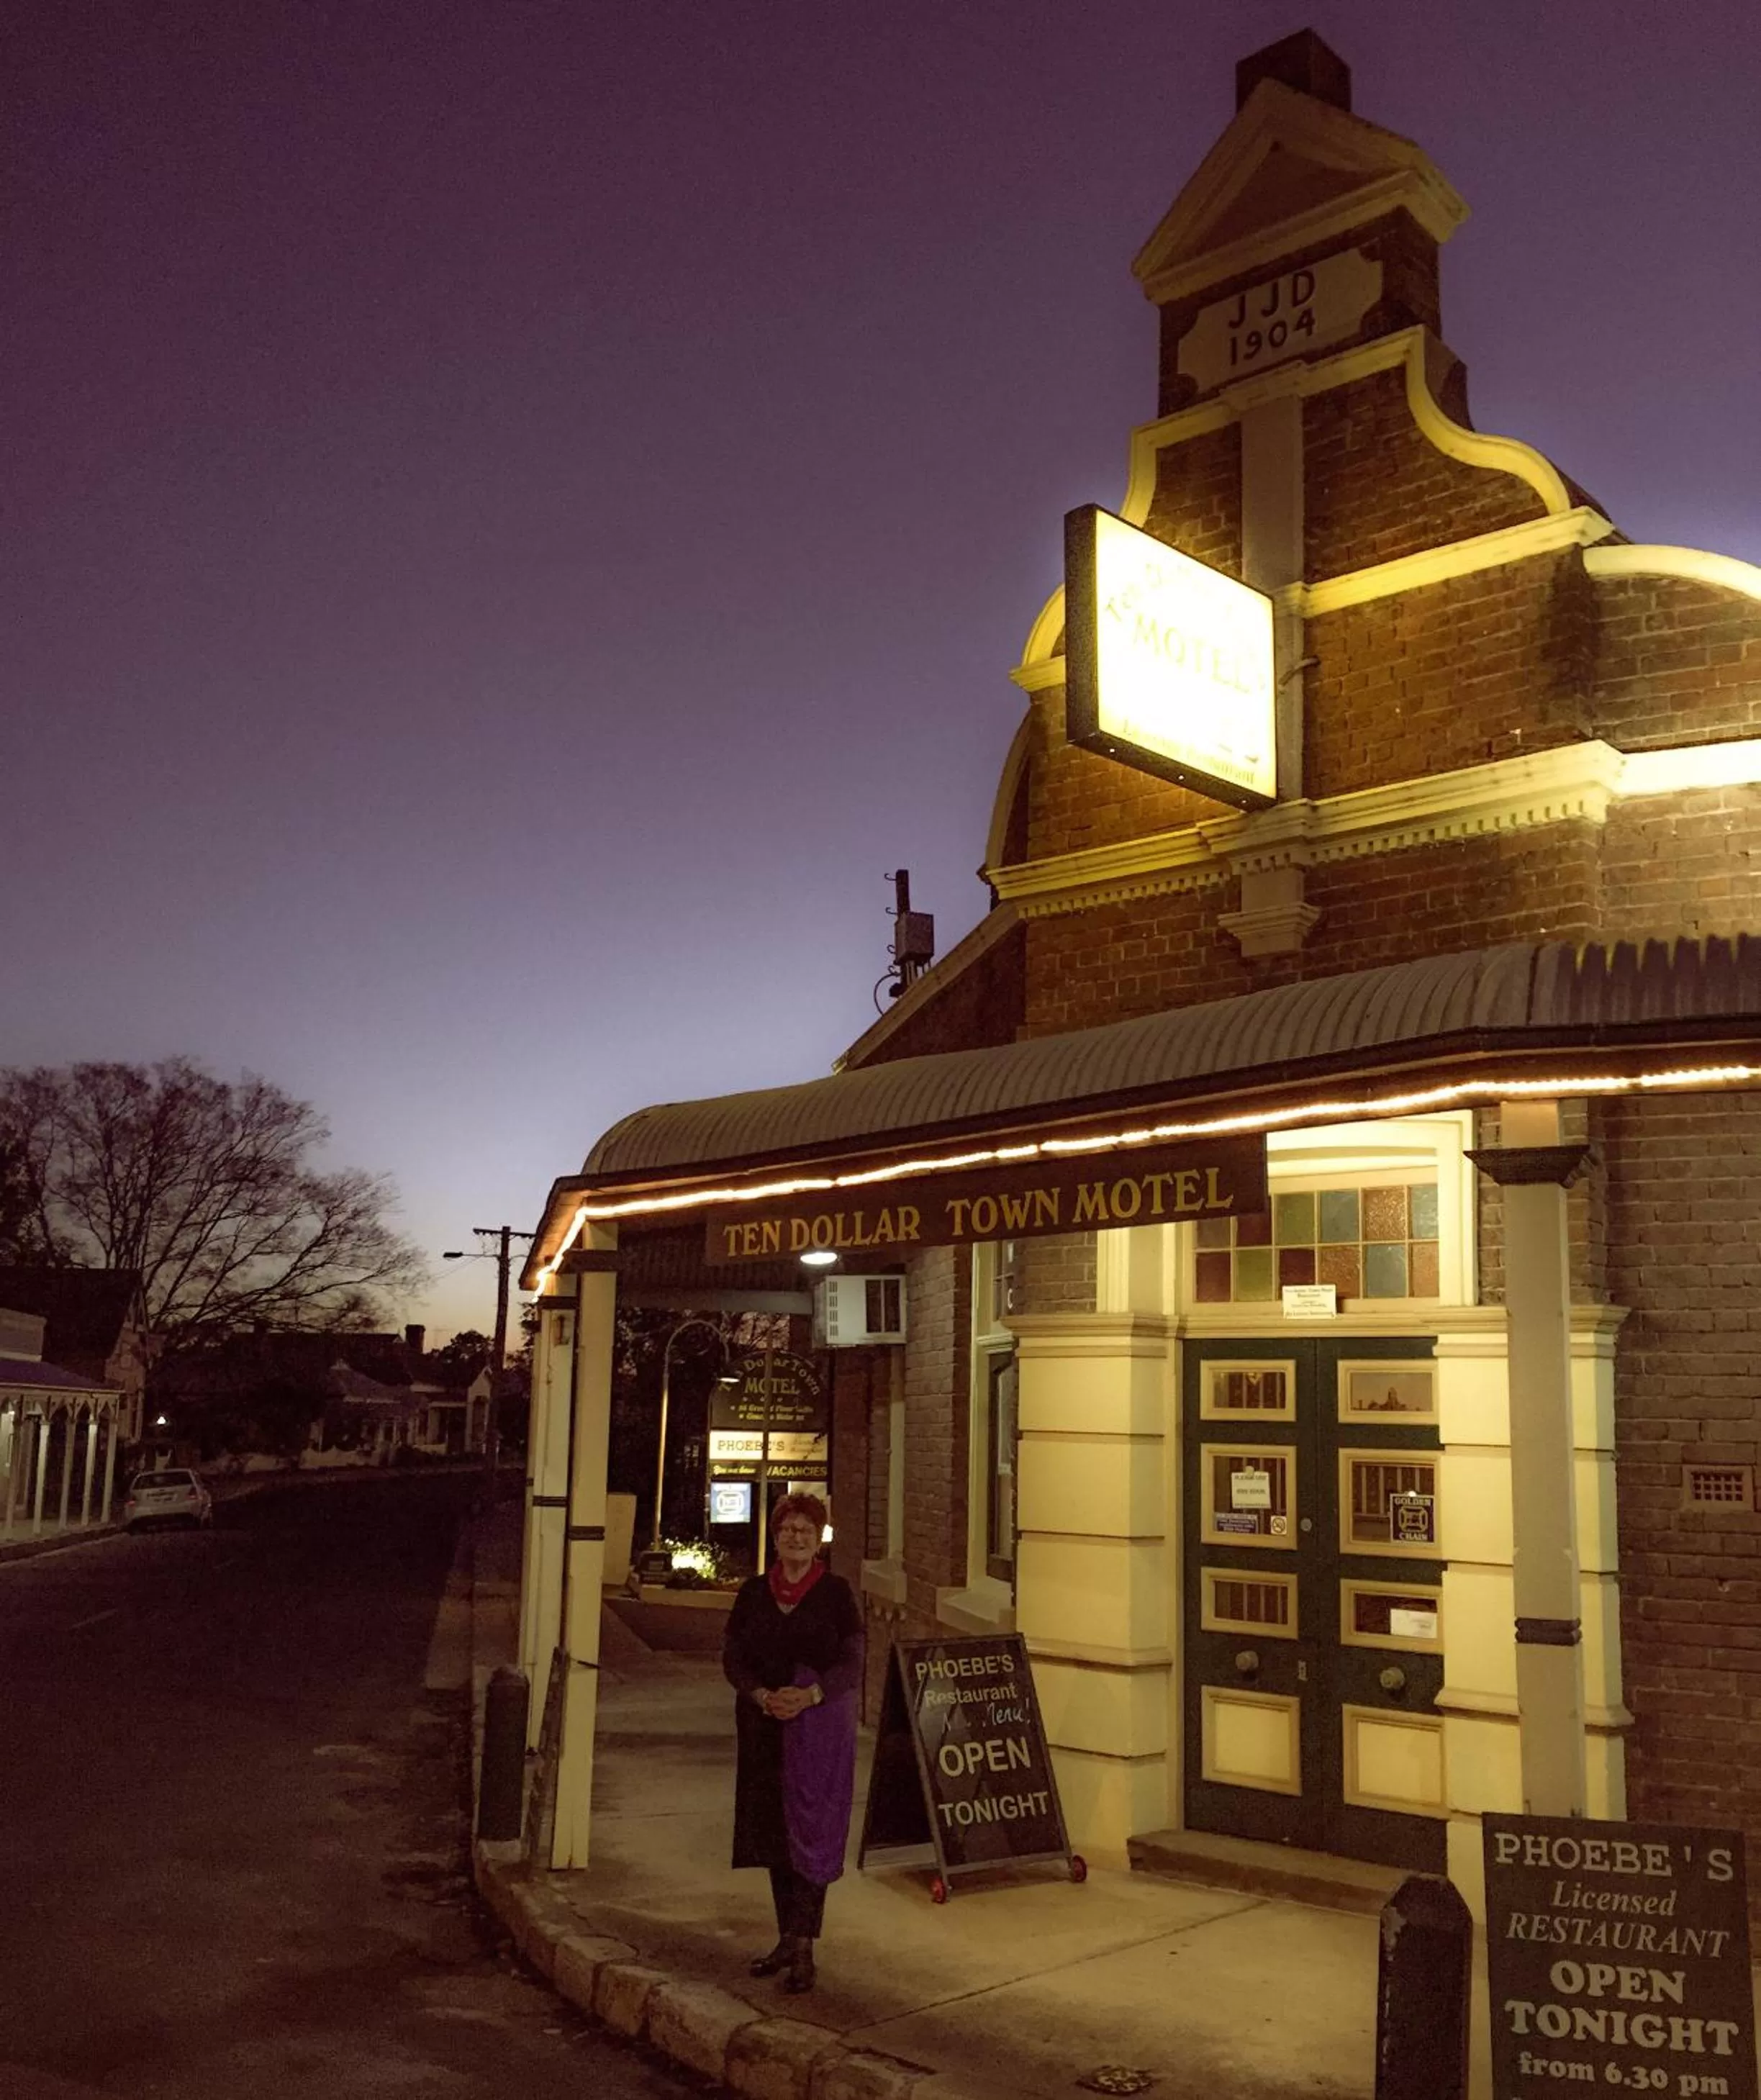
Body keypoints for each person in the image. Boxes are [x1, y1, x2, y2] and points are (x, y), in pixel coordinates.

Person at [720, 1491, 863, 1995]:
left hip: (816, 1731)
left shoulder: (836, 1593)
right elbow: (734, 1657)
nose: (795, 1537)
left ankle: (805, 1947)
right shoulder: (754, 1593)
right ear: (775, 1536)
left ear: (819, 1538)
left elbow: (852, 1661)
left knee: (811, 1833)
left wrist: (811, 1696)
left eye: (805, 1530)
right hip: (764, 1728)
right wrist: (760, 1695)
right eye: (787, 1529)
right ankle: (786, 1937)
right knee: (776, 1835)